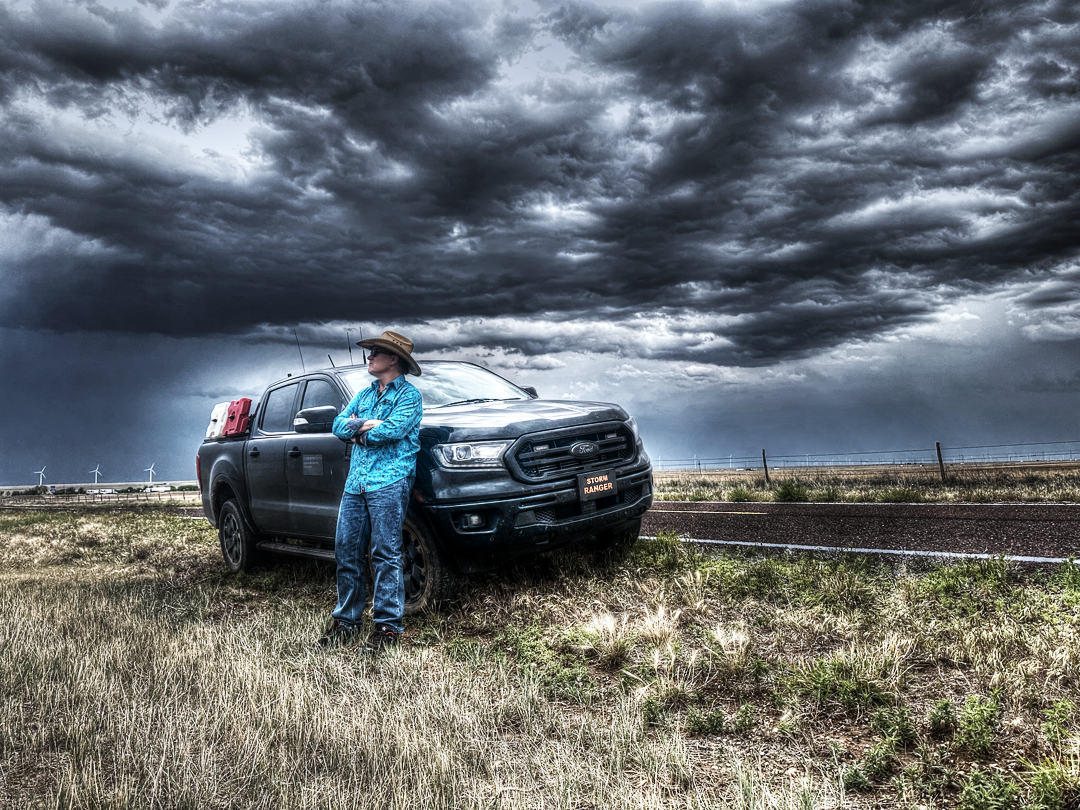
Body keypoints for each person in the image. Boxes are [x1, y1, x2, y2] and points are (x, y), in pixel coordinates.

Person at [318, 330, 423, 651]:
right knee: (346, 551)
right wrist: (367, 425)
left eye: (376, 351)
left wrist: (358, 428)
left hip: (389, 481)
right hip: (357, 483)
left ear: (393, 359)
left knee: (385, 553)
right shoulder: (363, 394)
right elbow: (337, 426)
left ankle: (388, 628)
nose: (369, 356)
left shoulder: (409, 396)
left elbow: (391, 431)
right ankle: (346, 621)